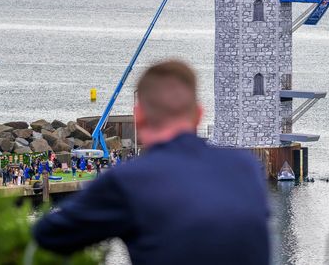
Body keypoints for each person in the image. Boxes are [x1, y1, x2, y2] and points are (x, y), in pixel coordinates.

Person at [33, 60, 269, 265]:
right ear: (198, 114)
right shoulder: (245, 167)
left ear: (140, 116)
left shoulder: (129, 181)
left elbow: (48, 235)